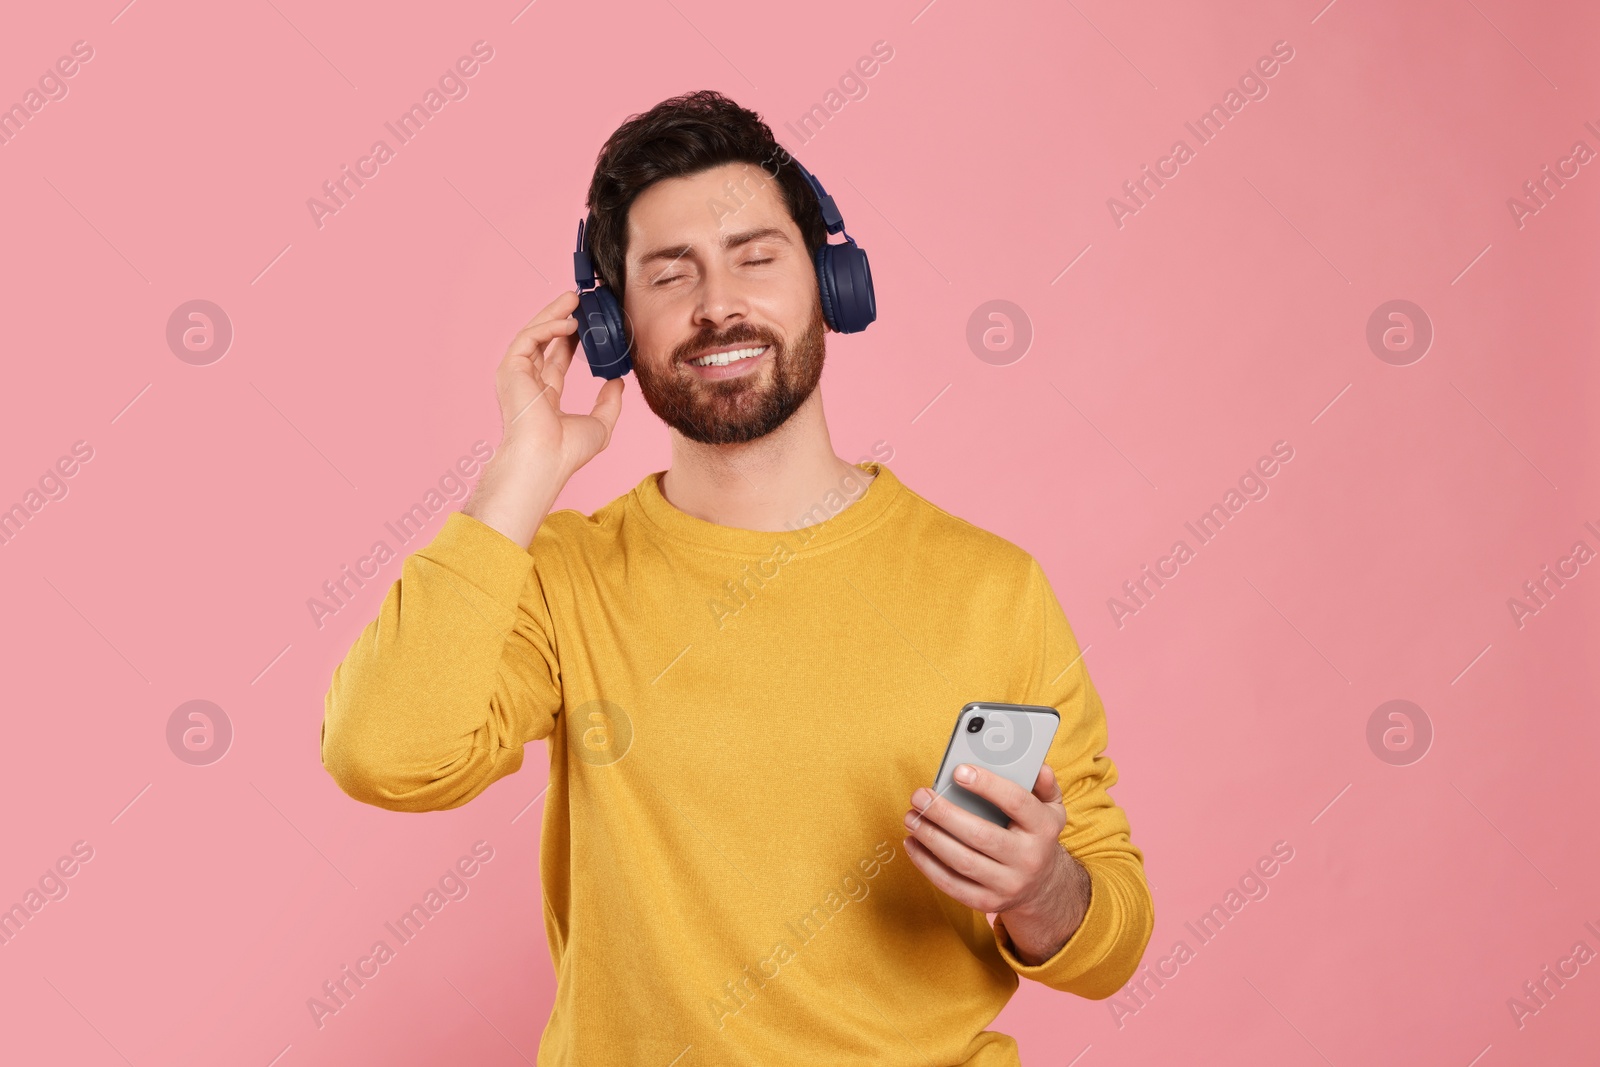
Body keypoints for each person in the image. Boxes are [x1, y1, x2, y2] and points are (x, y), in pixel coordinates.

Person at [320, 89, 1153, 1066]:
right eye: (669, 276)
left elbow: (1108, 940)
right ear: (612, 324)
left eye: (756, 258)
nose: (718, 304)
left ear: (831, 282)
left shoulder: (991, 586)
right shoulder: (560, 576)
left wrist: (1038, 884)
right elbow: (384, 754)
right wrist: (522, 471)